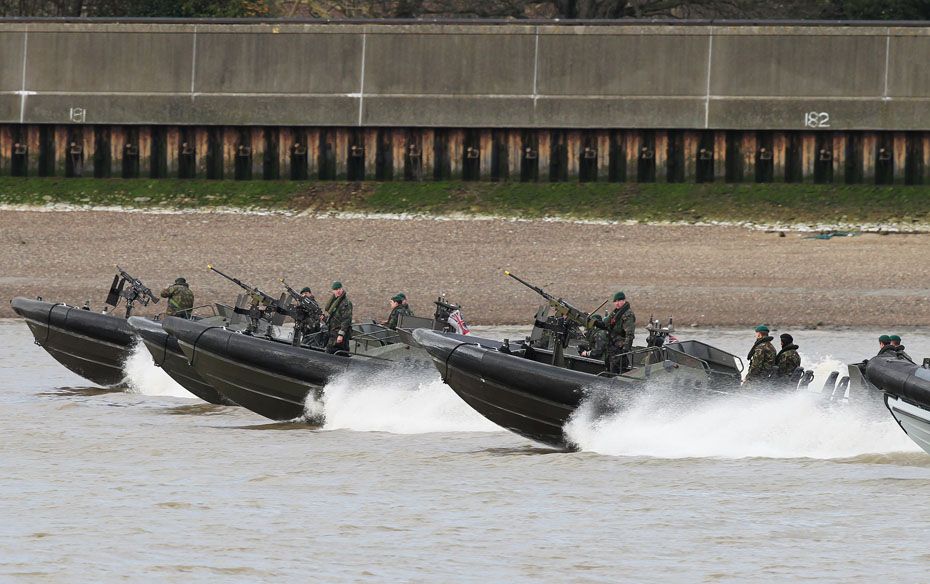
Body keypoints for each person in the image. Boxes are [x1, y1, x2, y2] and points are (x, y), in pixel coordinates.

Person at [596, 291, 635, 373]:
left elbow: (630, 334)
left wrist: (625, 350)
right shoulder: (615, 313)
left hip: (620, 348)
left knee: (616, 369)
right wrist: (595, 322)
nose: (617, 303)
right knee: (609, 367)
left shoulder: (627, 314)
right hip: (612, 346)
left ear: (623, 301)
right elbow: (605, 324)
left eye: (619, 301)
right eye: (615, 301)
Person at [322, 281, 352, 353]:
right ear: (333, 291)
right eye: (336, 289)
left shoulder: (345, 303)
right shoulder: (334, 302)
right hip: (332, 333)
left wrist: (341, 334)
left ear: (342, 289)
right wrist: (324, 318)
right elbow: (333, 319)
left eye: (339, 288)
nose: (338, 291)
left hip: (339, 334)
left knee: (336, 352)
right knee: (337, 353)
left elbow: (346, 320)